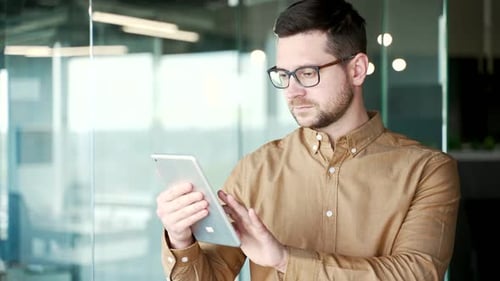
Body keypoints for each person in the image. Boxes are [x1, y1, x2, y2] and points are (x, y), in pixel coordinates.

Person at [155, 0, 461, 280]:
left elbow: (417, 273)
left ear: (356, 69)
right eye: (284, 75)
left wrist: (285, 259)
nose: (292, 91)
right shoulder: (255, 169)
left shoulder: (427, 170)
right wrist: (180, 241)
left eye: (307, 73)